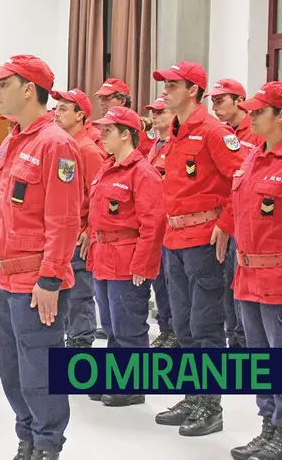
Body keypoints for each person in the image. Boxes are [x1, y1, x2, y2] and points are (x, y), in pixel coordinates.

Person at [0, 55, 83, 460]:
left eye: (3, 84)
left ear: (28, 89)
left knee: (40, 373)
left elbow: (64, 220)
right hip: (4, 277)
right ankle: (27, 437)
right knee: (11, 370)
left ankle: (47, 445)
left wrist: (49, 279)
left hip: (35, 282)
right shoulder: (12, 140)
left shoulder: (56, 144)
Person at [151, 60, 245, 436]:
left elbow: (243, 179)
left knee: (206, 325)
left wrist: (227, 224)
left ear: (192, 90)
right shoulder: (173, 133)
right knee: (183, 323)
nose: (164, 91)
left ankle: (210, 404)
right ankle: (193, 396)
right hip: (175, 239)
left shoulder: (213, 132)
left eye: (172, 85)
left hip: (204, 242)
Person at [227, 81, 282, 460]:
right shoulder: (253, 157)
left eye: (260, 111)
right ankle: (269, 427)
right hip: (249, 277)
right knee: (259, 361)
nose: (252, 116)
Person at [86, 107, 166, 407]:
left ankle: (132, 386)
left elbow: (154, 222)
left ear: (126, 134)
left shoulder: (142, 173)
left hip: (128, 259)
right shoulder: (107, 167)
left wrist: (144, 264)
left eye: (108, 130)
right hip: (104, 254)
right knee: (109, 325)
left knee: (129, 326)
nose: (102, 135)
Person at [207, 78, 264, 349]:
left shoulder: (257, 134)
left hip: (248, 225)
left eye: (220, 101)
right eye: (213, 102)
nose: (215, 107)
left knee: (242, 290)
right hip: (226, 223)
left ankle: (243, 343)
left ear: (238, 101)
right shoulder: (222, 134)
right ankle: (236, 342)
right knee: (227, 288)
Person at [51, 88, 106, 349]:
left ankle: (81, 345)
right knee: (65, 294)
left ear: (81, 116)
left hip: (81, 234)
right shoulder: (63, 145)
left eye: (64, 109)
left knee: (79, 296)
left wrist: (91, 230)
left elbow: (100, 195)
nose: (56, 113)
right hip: (63, 234)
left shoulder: (87, 150)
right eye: (56, 108)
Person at [143, 97, 179, 348]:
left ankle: (176, 330)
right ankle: (165, 327)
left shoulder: (176, 144)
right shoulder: (155, 145)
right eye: (153, 112)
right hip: (156, 223)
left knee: (173, 281)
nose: (155, 116)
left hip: (173, 223)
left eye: (160, 112)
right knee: (160, 281)